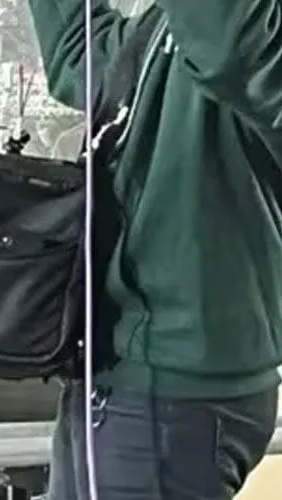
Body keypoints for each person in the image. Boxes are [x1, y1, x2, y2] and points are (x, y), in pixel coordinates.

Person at [25, 1, 282, 498]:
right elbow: (83, 56)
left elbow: (229, 48)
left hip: (177, 384)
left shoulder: (247, 31)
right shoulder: (167, 25)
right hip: (114, 366)